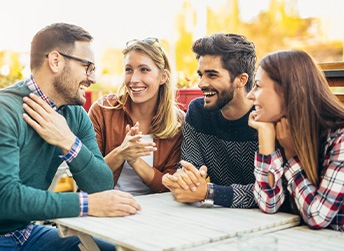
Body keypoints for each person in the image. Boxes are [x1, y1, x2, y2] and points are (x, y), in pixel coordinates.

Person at [0, 23, 141, 251]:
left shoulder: (75, 114)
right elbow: (5, 198)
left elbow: (102, 184)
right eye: (87, 66)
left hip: (26, 233)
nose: (92, 77)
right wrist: (87, 204)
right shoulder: (5, 111)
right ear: (55, 61)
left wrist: (69, 142)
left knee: (105, 249)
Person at [247, 50, 344, 231]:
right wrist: (266, 140)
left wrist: (292, 156)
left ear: (287, 91)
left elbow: (317, 217)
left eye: (258, 86)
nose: (250, 96)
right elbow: (269, 203)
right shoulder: (281, 130)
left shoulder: (340, 139)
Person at [162, 33, 258, 208]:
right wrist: (182, 179)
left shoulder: (266, 117)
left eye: (212, 75)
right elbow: (190, 165)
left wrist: (211, 193)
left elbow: (273, 192)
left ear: (241, 80)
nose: (201, 84)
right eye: (201, 75)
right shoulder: (198, 112)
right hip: (216, 219)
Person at [88, 37, 184, 196]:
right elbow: (89, 176)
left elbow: (170, 184)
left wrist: (135, 161)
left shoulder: (178, 122)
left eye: (144, 69)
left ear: (163, 77)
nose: (134, 79)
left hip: (156, 211)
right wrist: (121, 153)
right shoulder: (102, 110)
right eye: (128, 69)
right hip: (106, 205)